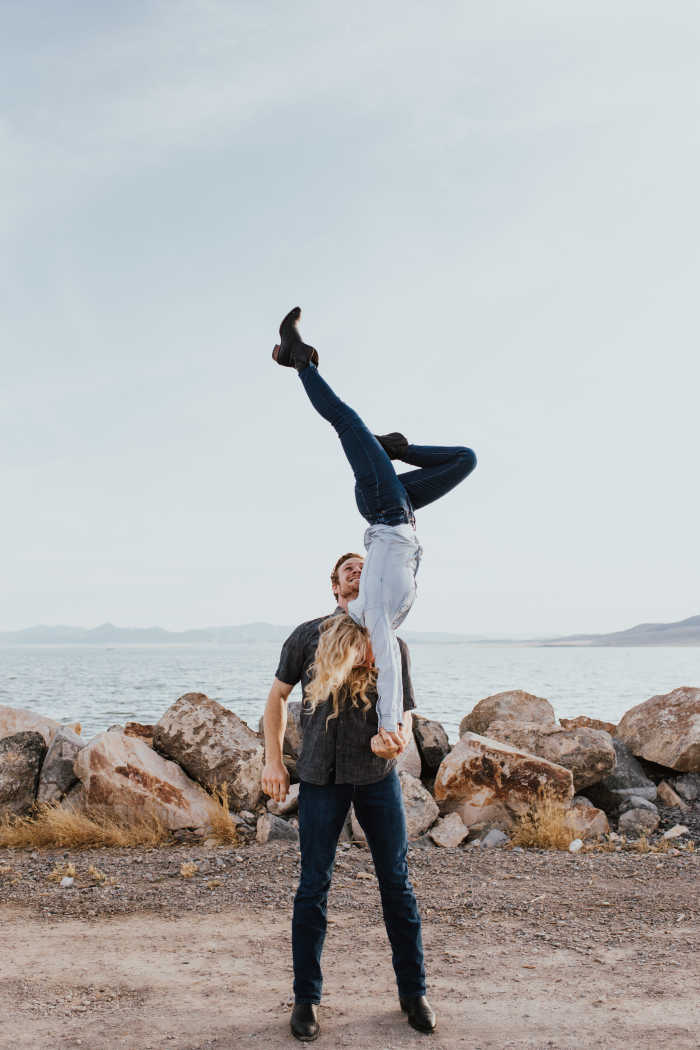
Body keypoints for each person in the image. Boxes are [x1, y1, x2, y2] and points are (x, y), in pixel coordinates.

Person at [272, 305, 476, 751]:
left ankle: (297, 360)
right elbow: (389, 665)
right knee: (465, 459)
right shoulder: (390, 618)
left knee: (346, 422)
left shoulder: (372, 615)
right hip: (402, 510)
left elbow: (388, 670)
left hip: (384, 510)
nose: (375, 657)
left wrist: (390, 726)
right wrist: (394, 729)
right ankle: (395, 449)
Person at [261, 550, 433, 1041]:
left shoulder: (391, 643)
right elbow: (275, 699)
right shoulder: (308, 635)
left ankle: (413, 992)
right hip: (318, 779)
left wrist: (397, 739)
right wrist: (273, 760)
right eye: (348, 570)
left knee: (396, 884)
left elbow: (405, 713)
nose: (358, 572)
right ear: (334, 586)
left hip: (376, 778)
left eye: (365, 568)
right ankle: (305, 1000)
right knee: (312, 888)